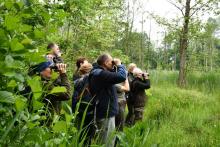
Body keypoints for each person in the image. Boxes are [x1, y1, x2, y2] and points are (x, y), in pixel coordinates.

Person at [89, 54, 126, 146]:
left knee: (106, 139)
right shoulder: (100, 73)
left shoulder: (99, 72)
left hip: (105, 112)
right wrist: (119, 65)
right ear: (105, 63)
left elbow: (114, 75)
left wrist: (114, 66)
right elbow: (121, 77)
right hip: (105, 114)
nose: (112, 64)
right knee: (107, 142)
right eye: (111, 62)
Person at [72, 62, 94, 146]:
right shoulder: (89, 80)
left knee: (81, 128)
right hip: (88, 107)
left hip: (79, 107)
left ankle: (80, 143)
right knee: (88, 131)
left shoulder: (77, 81)